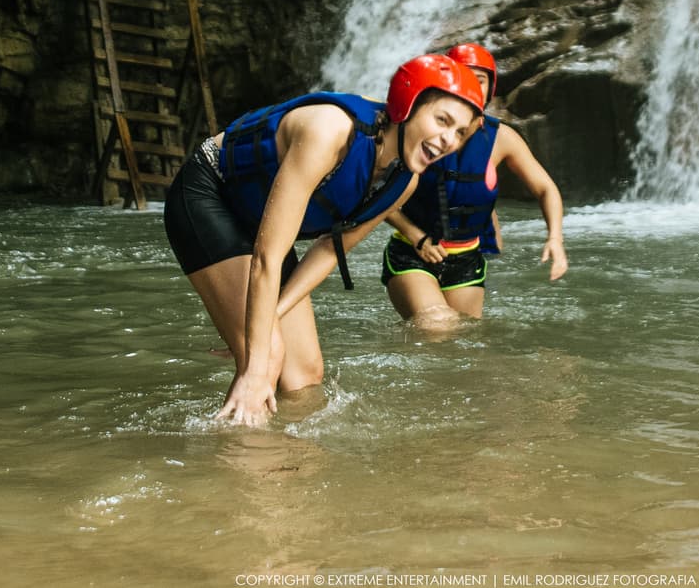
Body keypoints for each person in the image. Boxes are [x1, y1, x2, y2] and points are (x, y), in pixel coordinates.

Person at [164, 54, 485, 427]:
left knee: (305, 375)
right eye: (442, 120)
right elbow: (268, 257)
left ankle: (284, 465)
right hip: (209, 193)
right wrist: (256, 354)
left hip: (257, 220)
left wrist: (272, 317)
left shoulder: (403, 182)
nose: (449, 139)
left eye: (460, 133)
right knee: (265, 359)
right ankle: (244, 467)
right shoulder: (329, 131)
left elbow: (330, 249)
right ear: (407, 104)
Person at [381, 43, 568, 327]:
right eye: (463, 76)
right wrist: (415, 235)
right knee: (437, 325)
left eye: (479, 80)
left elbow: (546, 189)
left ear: (490, 89)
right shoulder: (419, 129)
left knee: (460, 343)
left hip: (467, 259)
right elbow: (377, 195)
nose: (471, 86)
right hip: (412, 252)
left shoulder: (502, 139)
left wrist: (555, 238)